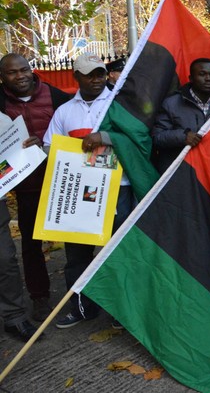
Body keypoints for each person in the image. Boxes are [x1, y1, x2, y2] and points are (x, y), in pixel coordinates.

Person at [43, 53, 136, 329]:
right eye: (90, 74)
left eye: (100, 73)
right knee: (77, 254)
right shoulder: (64, 112)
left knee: (118, 251)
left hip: (118, 188)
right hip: (78, 192)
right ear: (76, 77)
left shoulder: (119, 104)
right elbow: (51, 148)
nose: (97, 79)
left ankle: (121, 311)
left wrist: (103, 137)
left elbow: (136, 138)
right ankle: (83, 307)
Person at [0, 53, 72, 321]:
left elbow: (71, 131)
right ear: (2, 77)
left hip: (63, 182)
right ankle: (39, 297)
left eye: (24, 69)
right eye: (12, 72)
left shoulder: (57, 97)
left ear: (32, 70)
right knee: (31, 244)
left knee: (77, 242)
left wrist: (42, 142)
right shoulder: (1, 102)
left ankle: (81, 294)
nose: (20, 76)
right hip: (26, 187)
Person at [0, 111, 39, 341]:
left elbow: (11, 158)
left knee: (4, 259)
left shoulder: (2, 121)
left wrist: (29, 147)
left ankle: (14, 317)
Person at [152, 58, 210, 173]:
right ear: (191, 78)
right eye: (202, 74)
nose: (208, 79)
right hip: (181, 173)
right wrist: (183, 137)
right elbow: (157, 137)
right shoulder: (171, 103)